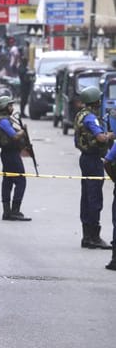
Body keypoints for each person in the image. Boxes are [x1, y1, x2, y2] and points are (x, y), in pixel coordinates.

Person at [73, 86, 113, 249]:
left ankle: (86, 236)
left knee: (87, 196)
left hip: (86, 158)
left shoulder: (80, 114)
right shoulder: (91, 118)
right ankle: (93, 237)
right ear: (95, 101)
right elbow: (101, 138)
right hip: (93, 159)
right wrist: (111, 135)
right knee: (94, 197)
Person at [0, 96, 31, 221]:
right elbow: (15, 136)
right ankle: (15, 211)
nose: (12, 108)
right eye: (10, 105)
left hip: (7, 154)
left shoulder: (1, 119)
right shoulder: (3, 121)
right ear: (4, 107)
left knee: (8, 181)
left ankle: (7, 212)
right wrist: (23, 131)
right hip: (11, 154)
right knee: (21, 181)